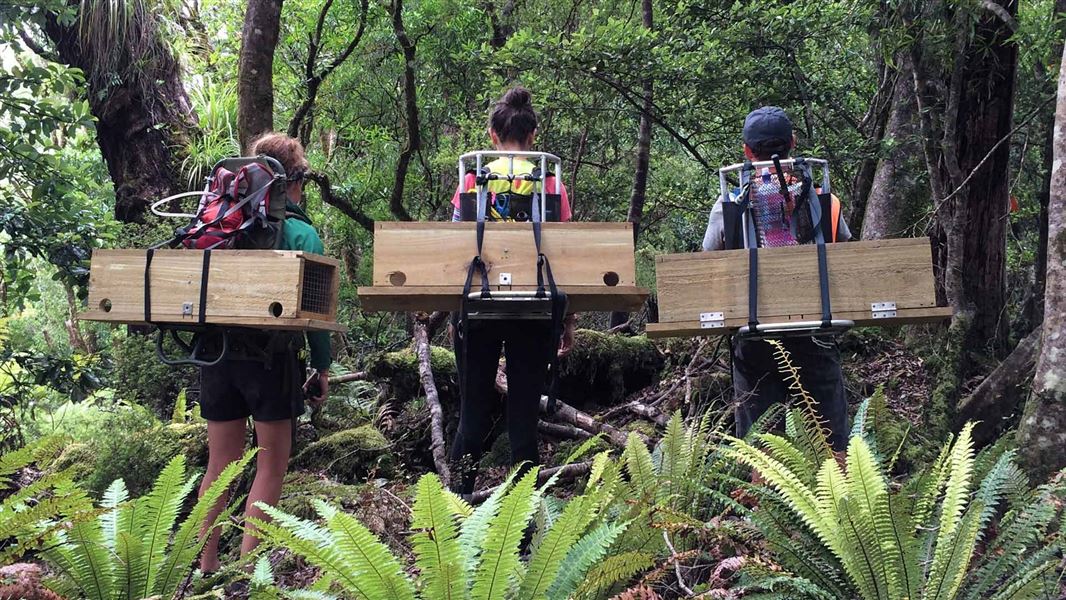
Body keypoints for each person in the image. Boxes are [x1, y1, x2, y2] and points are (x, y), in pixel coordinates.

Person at [197, 133, 332, 572]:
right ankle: (246, 574)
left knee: (220, 466)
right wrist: (323, 367)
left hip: (216, 356)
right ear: (290, 182)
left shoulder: (219, 229)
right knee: (270, 466)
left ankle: (205, 568)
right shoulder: (301, 233)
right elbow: (317, 314)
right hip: (271, 362)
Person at [448, 86, 576, 496]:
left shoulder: (473, 176)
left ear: (492, 135)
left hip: (478, 308)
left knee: (471, 419)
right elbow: (564, 257)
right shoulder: (550, 181)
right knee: (522, 425)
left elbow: (455, 248)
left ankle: (452, 521)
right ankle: (521, 534)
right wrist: (567, 321)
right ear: (533, 134)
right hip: (534, 310)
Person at [702, 106, 852, 452]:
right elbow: (844, 259)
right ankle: (844, 502)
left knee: (760, 444)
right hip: (816, 327)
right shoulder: (823, 200)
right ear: (793, 143)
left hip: (754, 334)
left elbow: (709, 267)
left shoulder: (728, 204)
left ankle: (762, 505)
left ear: (746, 151)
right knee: (834, 439)